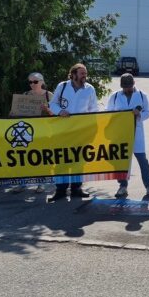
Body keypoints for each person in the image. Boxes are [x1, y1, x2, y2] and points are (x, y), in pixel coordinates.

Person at [47, 63, 100, 202]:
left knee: (78, 160)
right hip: (62, 130)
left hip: (80, 131)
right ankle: (60, 190)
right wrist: (60, 111)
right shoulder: (62, 86)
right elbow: (52, 104)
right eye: (82, 73)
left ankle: (76, 189)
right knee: (61, 159)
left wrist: (90, 127)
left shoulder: (89, 89)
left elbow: (94, 109)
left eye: (85, 73)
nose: (85, 76)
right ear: (74, 74)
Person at [108, 73, 149, 199]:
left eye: (129, 86)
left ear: (134, 84)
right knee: (121, 162)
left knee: (142, 160)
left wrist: (139, 115)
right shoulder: (115, 96)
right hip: (120, 134)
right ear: (121, 86)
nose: (127, 89)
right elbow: (108, 114)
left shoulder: (141, 95)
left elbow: (148, 112)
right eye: (125, 87)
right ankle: (122, 186)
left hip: (137, 134)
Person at [8, 72, 54, 194]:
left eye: (35, 82)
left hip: (44, 133)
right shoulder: (25, 95)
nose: (32, 84)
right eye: (30, 82)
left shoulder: (49, 96)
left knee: (41, 159)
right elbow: (16, 113)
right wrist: (13, 113)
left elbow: (56, 115)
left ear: (42, 82)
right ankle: (22, 183)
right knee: (24, 158)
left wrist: (47, 110)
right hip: (27, 132)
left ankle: (41, 184)